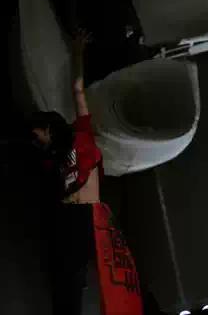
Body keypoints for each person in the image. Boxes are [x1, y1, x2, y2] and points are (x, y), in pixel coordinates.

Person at [30, 30, 141, 315]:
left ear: (51, 129)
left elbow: (78, 89)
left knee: (107, 274)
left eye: (40, 134)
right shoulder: (52, 159)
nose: (39, 140)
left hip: (89, 215)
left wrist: (78, 52)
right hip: (72, 218)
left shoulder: (82, 133)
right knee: (72, 278)